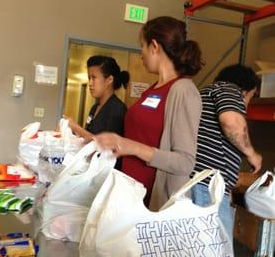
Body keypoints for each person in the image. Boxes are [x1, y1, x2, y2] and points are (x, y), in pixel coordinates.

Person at [94, 16, 203, 208]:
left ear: (154, 46)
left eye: (142, 46)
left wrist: (132, 147)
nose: (141, 54)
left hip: (153, 202)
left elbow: (185, 162)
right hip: (131, 195)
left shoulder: (183, 90)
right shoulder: (153, 90)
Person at [191, 63, 262, 237]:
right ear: (244, 90)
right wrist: (251, 154)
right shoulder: (228, 89)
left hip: (198, 184)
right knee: (212, 256)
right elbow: (231, 122)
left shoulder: (204, 93)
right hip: (207, 187)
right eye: (250, 97)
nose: (246, 105)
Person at [65, 55, 129, 140]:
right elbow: (88, 135)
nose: (90, 83)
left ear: (109, 80)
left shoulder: (118, 109)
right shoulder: (94, 108)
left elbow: (106, 144)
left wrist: (76, 127)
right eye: (89, 78)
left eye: (94, 78)